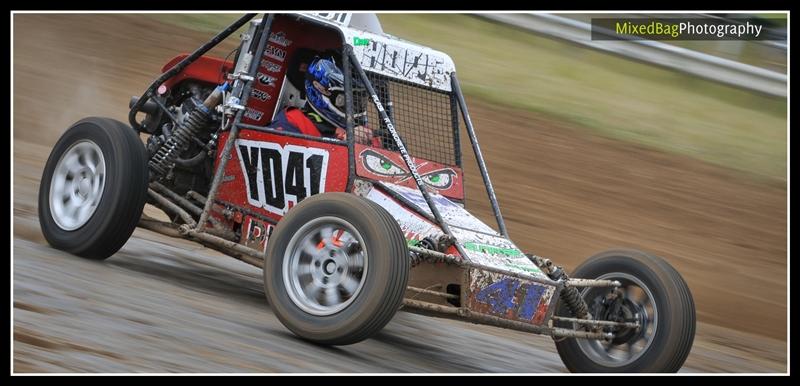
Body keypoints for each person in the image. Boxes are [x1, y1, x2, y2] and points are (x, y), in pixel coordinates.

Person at [268, 56, 377, 146]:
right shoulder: (293, 122)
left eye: (360, 100)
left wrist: (364, 145)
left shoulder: (363, 133)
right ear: (321, 90)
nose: (354, 106)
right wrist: (342, 143)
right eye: (346, 100)